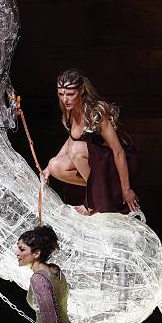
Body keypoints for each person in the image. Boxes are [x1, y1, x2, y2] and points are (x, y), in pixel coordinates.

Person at [43, 69, 139, 215]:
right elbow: (71, 139)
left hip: (114, 163)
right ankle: (105, 191)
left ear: (81, 90)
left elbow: (118, 152)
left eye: (70, 94)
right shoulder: (69, 111)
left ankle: (95, 200)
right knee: (54, 165)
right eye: (61, 94)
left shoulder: (96, 113)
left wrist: (126, 189)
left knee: (76, 150)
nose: (65, 99)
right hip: (97, 167)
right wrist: (48, 169)